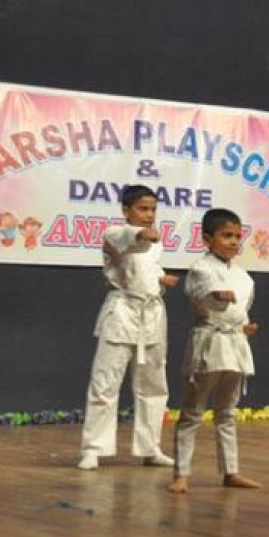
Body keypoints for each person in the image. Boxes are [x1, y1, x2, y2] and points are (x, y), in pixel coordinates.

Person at [78, 185, 177, 470]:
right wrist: (141, 233)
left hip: (152, 315)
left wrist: (161, 279)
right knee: (105, 383)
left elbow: (146, 271)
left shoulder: (157, 243)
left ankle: (150, 447)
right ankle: (93, 448)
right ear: (126, 210)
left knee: (154, 385)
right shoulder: (114, 234)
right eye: (143, 209)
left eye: (153, 210)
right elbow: (128, 239)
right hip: (122, 313)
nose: (149, 215)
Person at [168, 208, 261, 494]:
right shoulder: (201, 269)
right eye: (226, 236)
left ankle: (230, 470)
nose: (233, 242)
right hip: (209, 342)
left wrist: (245, 327)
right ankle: (181, 473)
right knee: (193, 410)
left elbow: (241, 311)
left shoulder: (245, 277)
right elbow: (200, 295)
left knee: (227, 411)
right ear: (207, 238)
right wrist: (216, 297)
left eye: (237, 236)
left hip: (234, 345)